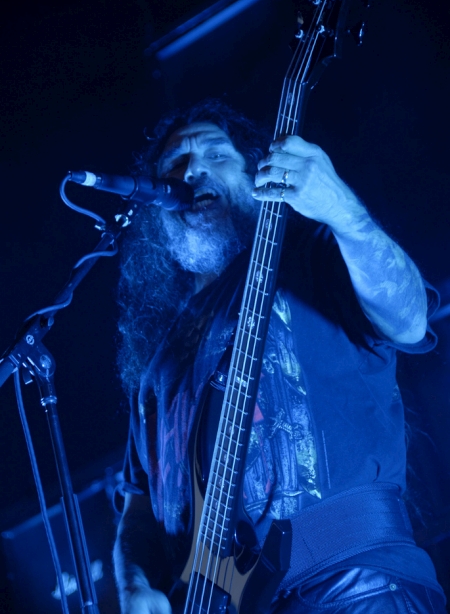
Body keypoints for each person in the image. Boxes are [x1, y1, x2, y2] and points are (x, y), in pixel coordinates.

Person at [113, 99, 446, 614]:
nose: (192, 170)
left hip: (352, 585)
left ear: (255, 177)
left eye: (216, 154)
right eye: (174, 164)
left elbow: (409, 319)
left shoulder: (308, 255)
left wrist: (342, 211)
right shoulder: (157, 370)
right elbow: (138, 506)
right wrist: (133, 585)